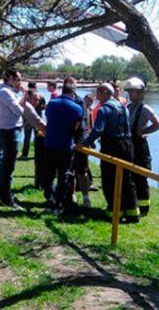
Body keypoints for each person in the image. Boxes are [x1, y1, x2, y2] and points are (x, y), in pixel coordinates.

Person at [80, 83, 140, 223]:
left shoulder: (104, 109)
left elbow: (98, 130)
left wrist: (86, 142)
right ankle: (132, 212)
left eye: (98, 93)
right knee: (127, 179)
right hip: (127, 145)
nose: (96, 97)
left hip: (112, 146)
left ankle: (114, 212)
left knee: (109, 179)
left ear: (104, 92)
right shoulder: (123, 107)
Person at [124, 77, 159, 216]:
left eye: (133, 92)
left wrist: (143, 132)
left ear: (140, 93)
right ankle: (134, 205)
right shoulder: (128, 108)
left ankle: (144, 208)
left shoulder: (146, 108)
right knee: (131, 177)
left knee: (141, 178)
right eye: (129, 92)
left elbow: (158, 125)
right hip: (130, 146)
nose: (130, 94)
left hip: (140, 147)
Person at [42, 84, 83, 212]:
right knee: (63, 175)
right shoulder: (77, 108)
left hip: (49, 144)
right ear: (73, 93)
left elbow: (48, 119)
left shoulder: (52, 104)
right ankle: (59, 202)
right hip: (65, 145)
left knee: (49, 173)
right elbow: (76, 127)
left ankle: (49, 197)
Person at [0, 68, 26, 209]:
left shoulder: (5, 91)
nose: (20, 82)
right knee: (9, 165)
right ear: (10, 79)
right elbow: (18, 110)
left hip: (9, 130)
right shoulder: (5, 92)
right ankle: (7, 197)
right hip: (10, 131)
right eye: (18, 79)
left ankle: (1, 192)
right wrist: (24, 95)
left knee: (5, 163)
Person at [64, 77, 92, 208]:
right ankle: (71, 195)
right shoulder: (61, 99)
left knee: (82, 170)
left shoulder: (80, 101)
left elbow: (78, 122)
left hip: (79, 139)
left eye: (73, 85)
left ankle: (86, 198)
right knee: (69, 170)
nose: (71, 87)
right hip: (66, 138)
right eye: (68, 84)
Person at [21, 82, 46, 159]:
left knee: (27, 137)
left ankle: (24, 154)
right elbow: (45, 107)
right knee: (37, 137)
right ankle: (38, 154)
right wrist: (40, 107)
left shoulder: (26, 96)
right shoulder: (41, 96)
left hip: (28, 119)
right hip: (37, 119)